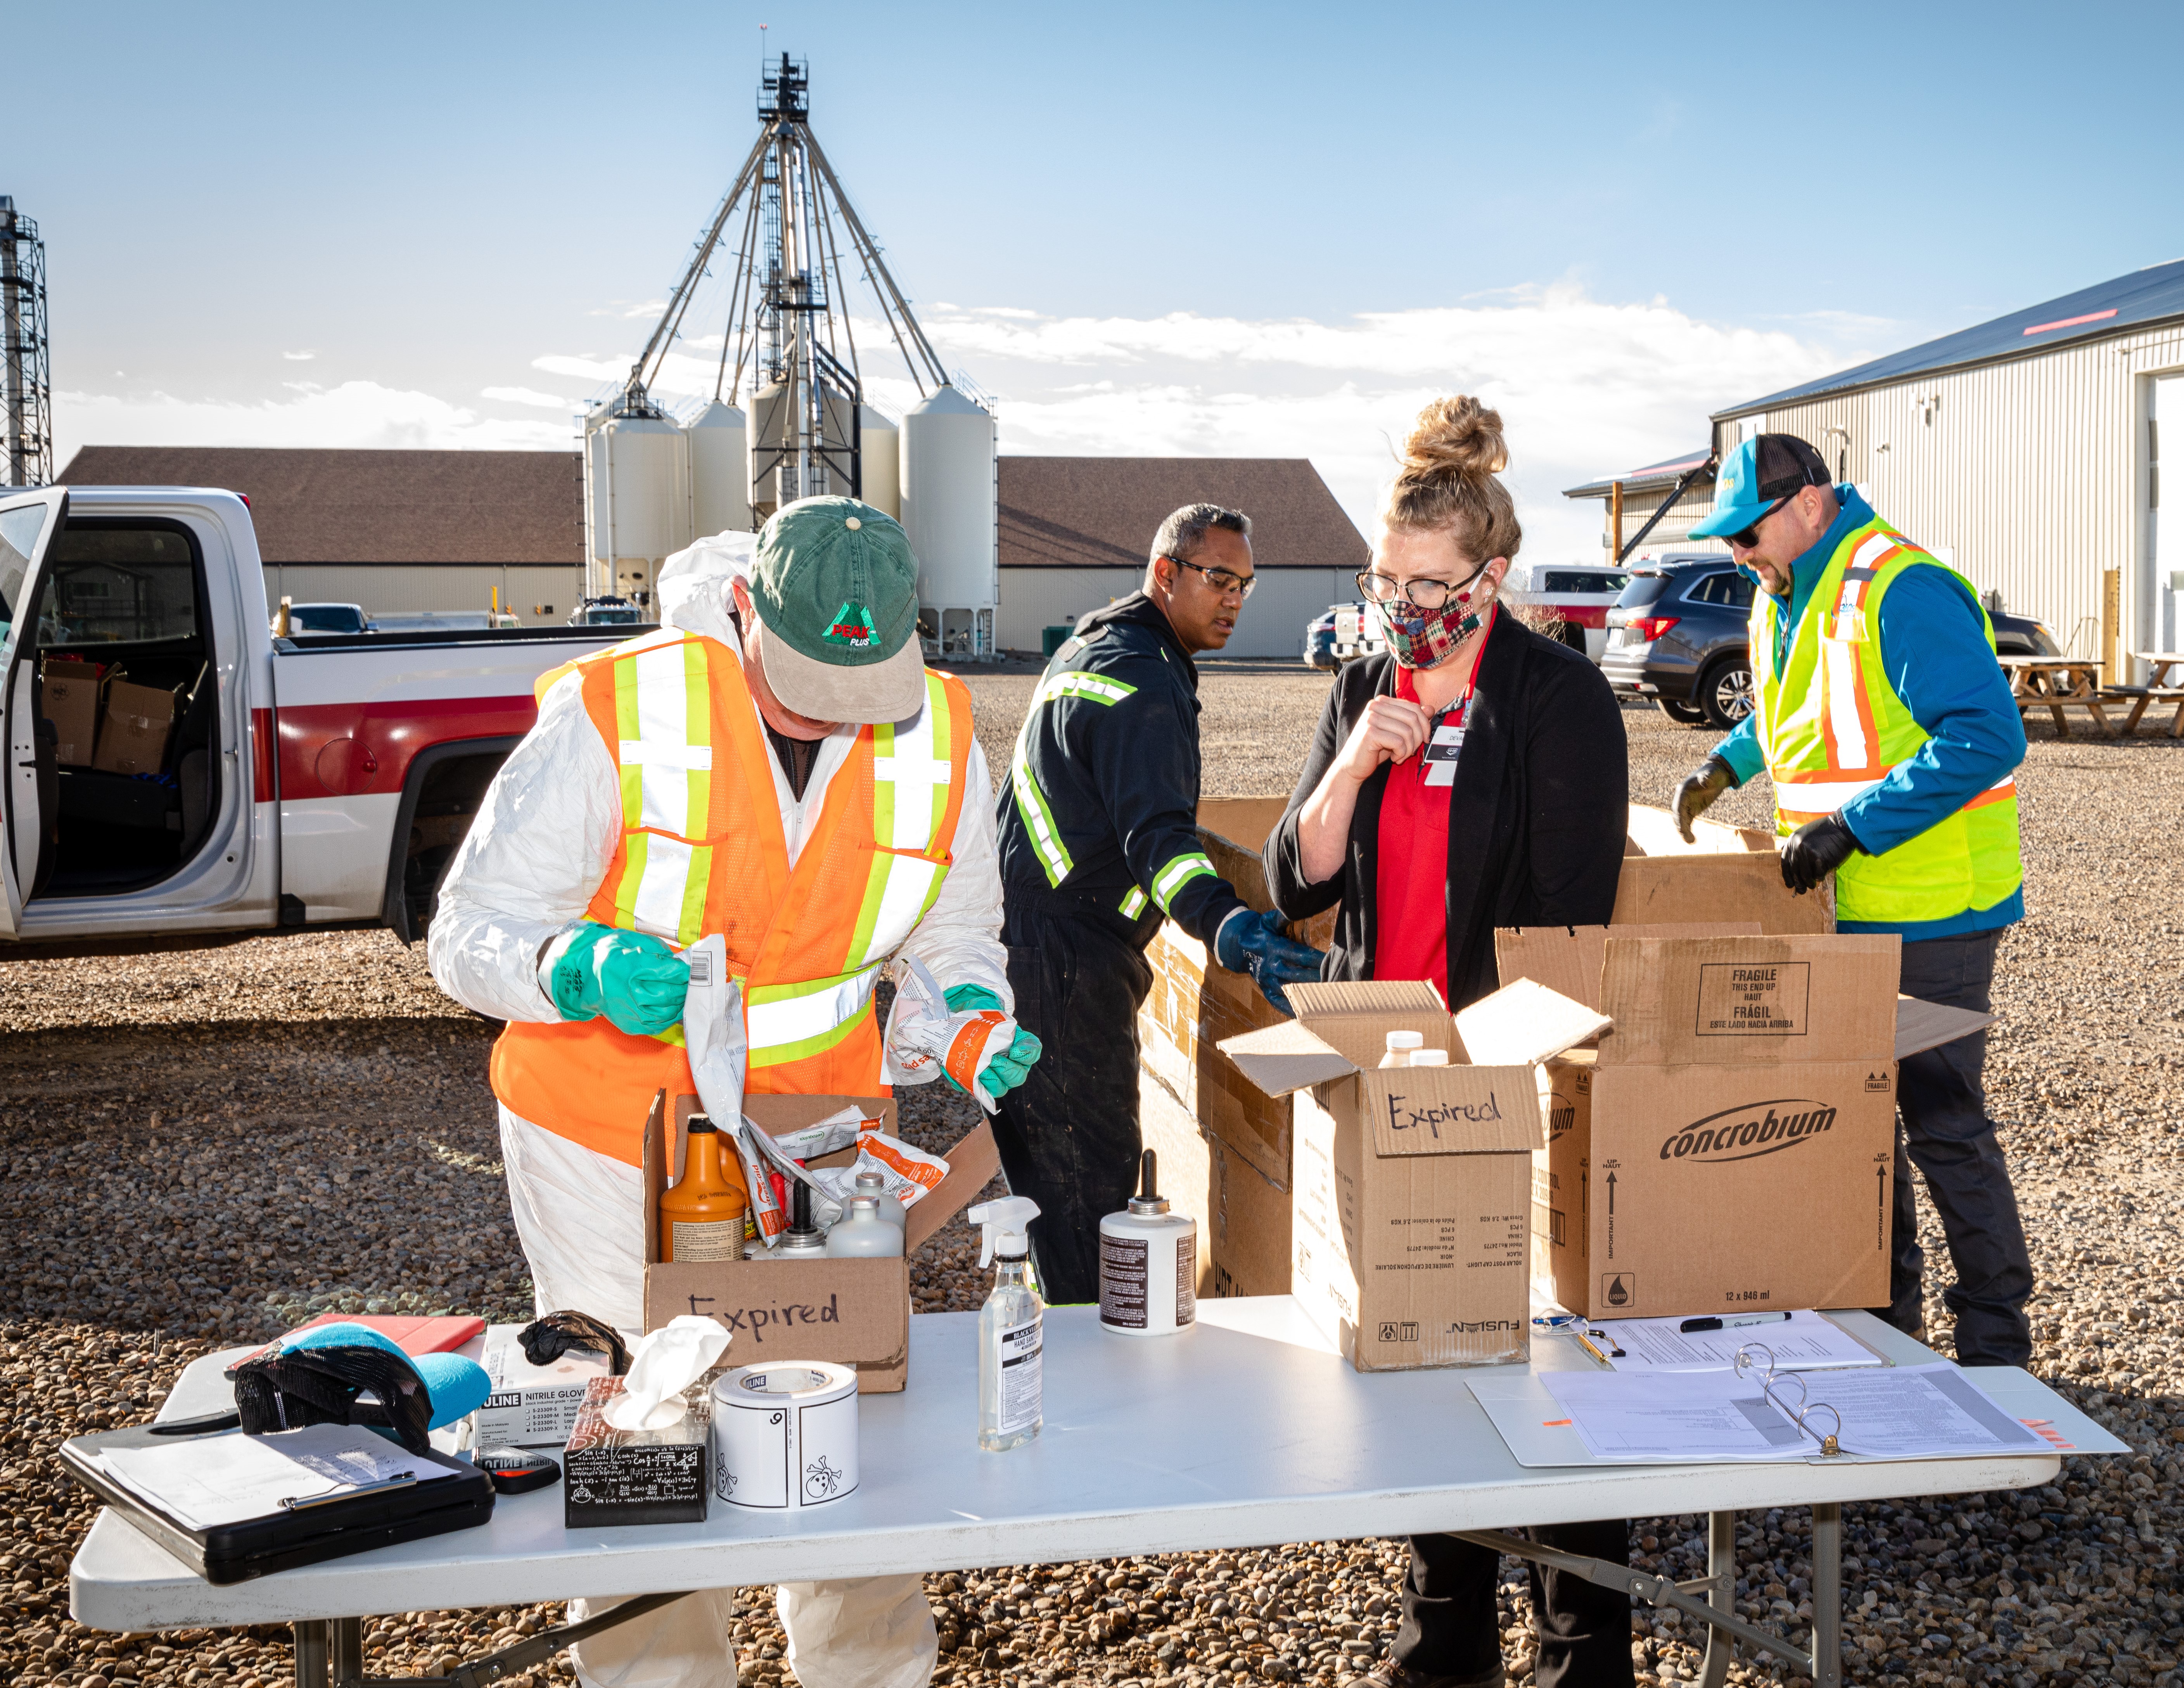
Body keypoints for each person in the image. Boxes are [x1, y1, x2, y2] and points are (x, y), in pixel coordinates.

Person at [429, 498, 1039, 1688]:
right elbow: (469, 931)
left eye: (861, 687)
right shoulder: (619, 710)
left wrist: (963, 1022)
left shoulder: (942, 728)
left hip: (825, 1133)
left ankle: (871, 1674)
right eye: (804, 682)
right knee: (643, 1423)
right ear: (744, 611)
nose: (832, 715)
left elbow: (956, 931)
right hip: (608, 1128)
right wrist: (571, 966)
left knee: (840, 1411)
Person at [1266, 397, 1632, 1688]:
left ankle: (1584, 1646)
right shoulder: (1365, 684)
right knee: (1425, 1346)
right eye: (1386, 579)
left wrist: (1476, 1069)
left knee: (1541, 1352)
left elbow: (1572, 920)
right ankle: (1448, 1636)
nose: (1405, 604)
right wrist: (1349, 771)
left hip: (1510, 1073)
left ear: (1493, 575)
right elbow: (1297, 883)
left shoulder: (1559, 701)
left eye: (1431, 584)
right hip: (1387, 1066)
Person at [1673, 431, 2033, 1366]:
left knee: (1942, 1122)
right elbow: (1799, 707)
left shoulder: (1897, 587)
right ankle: (1888, 1329)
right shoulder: (1784, 589)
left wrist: (1852, 827)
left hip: (1934, 907)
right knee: (1861, 1124)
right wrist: (1729, 762)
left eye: (1743, 534)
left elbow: (1986, 736)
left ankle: (1995, 1345)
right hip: (1844, 909)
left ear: (1805, 502)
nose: (1735, 554)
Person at [991, 503, 1325, 1304]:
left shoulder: (1097, 643)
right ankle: (1087, 1390)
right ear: (1165, 572)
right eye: (1217, 578)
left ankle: (1057, 1346)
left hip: (1030, 947)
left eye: (1244, 583)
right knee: (1087, 1199)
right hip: (1068, 965)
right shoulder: (1140, 677)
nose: (1234, 598)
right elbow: (1160, 845)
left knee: (1051, 1193)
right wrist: (1233, 927)